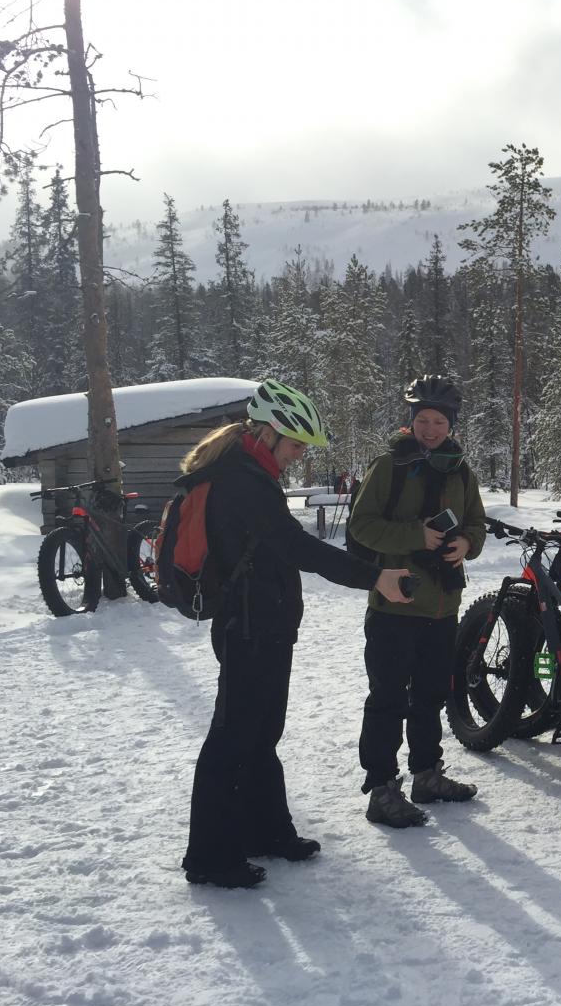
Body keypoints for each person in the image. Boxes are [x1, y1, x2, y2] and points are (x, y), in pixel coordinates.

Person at [180, 379, 412, 889]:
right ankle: (210, 857)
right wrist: (375, 576)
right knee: (232, 738)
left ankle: (267, 830)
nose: (297, 457)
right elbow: (294, 547)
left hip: (265, 624)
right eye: (294, 446)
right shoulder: (242, 480)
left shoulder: (251, 472)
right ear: (266, 434)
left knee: (261, 734)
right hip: (249, 628)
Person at [349, 375, 486, 828]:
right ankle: (381, 788)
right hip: (396, 601)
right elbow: (361, 526)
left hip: (443, 603)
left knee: (431, 694)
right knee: (388, 696)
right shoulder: (389, 465)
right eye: (423, 420)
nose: (430, 429)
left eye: (439, 421)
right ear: (411, 421)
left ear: (451, 424)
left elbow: (477, 524)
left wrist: (466, 543)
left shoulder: (461, 469)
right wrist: (416, 535)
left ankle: (426, 774)